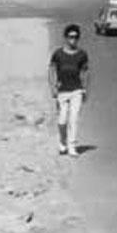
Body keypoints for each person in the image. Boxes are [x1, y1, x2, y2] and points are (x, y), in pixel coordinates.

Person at [48, 24, 89, 156]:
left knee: (74, 118)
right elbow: (51, 70)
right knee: (62, 120)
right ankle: (62, 142)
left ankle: (72, 146)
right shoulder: (58, 54)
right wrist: (53, 86)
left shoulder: (82, 55)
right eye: (71, 37)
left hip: (76, 90)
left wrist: (85, 89)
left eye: (76, 37)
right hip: (62, 90)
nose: (74, 39)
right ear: (66, 38)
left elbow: (85, 72)